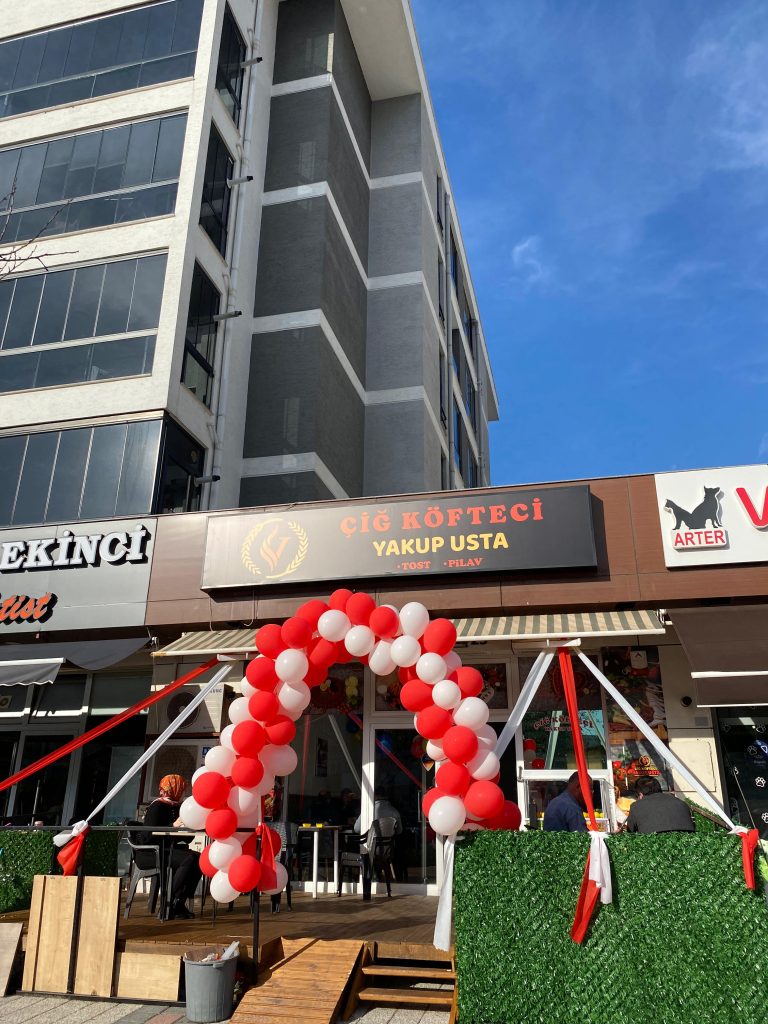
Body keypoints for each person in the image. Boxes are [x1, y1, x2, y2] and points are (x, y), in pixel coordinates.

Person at [143, 774, 202, 919]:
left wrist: (190, 828)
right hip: (152, 851)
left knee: (199, 859)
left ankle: (179, 903)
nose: (183, 792)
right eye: (181, 788)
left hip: (169, 848)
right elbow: (148, 836)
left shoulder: (178, 806)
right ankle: (167, 903)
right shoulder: (157, 806)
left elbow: (183, 839)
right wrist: (173, 825)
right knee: (188, 859)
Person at [625, 776, 694, 834]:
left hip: (654, 844)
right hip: (688, 842)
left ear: (640, 794)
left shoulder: (636, 806)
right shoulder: (680, 802)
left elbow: (630, 833)